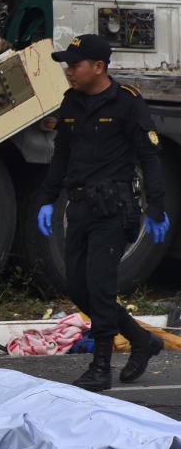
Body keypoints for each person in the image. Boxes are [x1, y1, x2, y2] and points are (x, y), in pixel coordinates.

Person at [36, 33, 170, 392]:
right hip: (79, 208)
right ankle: (142, 341)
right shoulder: (71, 103)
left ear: (98, 67)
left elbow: (149, 156)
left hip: (115, 209)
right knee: (78, 288)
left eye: (75, 65)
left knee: (100, 286)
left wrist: (156, 207)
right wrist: (48, 199)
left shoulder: (126, 103)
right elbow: (61, 155)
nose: (68, 72)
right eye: (67, 65)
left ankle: (101, 367)